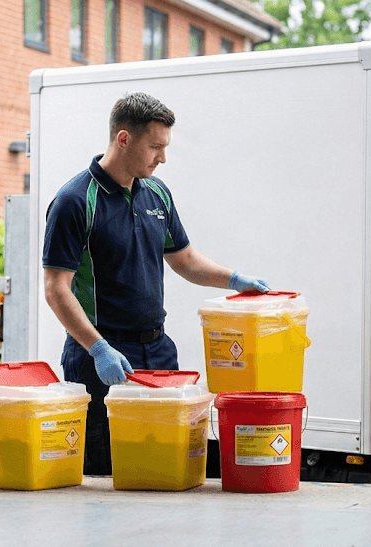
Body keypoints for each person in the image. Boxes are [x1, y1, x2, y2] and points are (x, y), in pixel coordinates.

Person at [42, 92, 269, 475]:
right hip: (102, 358)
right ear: (124, 139)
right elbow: (56, 288)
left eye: (165, 148)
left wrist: (233, 280)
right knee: (105, 475)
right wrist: (98, 349)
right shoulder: (75, 200)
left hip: (158, 354)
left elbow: (186, 260)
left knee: (162, 465)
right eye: (155, 147)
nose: (162, 158)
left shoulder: (157, 194)